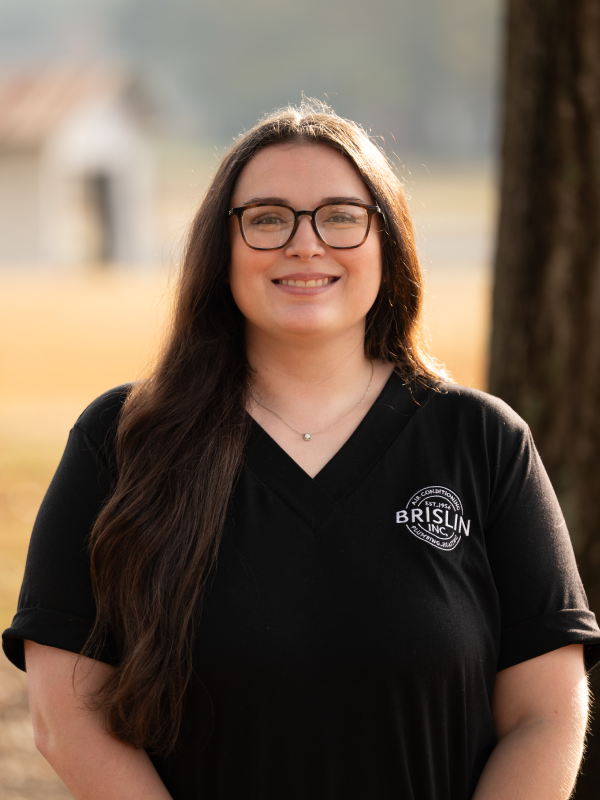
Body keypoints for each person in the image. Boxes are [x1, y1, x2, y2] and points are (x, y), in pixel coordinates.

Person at [3, 100, 600, 800]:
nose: (305, 244)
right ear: (219, 248)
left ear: (389, 241)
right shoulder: (122, 441)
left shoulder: (483, 442)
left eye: (342, 216)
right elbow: (63, 714)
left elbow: (546, 714)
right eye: (267, 219)